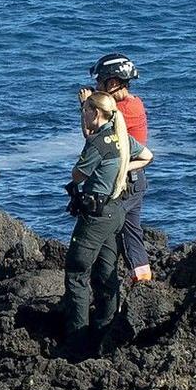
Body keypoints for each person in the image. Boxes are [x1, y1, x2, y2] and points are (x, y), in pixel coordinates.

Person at [64, 90, 152, 359]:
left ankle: (77, 342)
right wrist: (122, 168)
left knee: (76, 274)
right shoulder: (121, 137)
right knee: (106, 272)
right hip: (116, 211)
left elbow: (77, 174)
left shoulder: (98, 143)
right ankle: (104, 331)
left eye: (86, 110)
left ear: (96, 113)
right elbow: (147, 155)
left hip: (96, 216)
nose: (84, 114)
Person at [79, 53, 153, 283]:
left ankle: (101, 284)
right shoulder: (135, 103)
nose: (96, 87)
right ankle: (142, 281)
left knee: (101, 233)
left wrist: (85, 108)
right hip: (136, 178)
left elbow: (92, 138)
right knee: (131, 233)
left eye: (100, 83)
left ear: (112, 84)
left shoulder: (120, 113)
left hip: (123, 181)